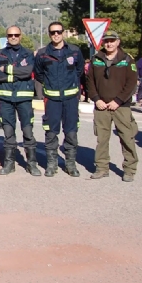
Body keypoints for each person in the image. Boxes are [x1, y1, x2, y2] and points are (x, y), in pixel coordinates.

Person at [86, 31, 139, 181]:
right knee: (102, 139)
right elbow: (89, 81)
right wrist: (96, 99)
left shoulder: (127, 59)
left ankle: (129, 169)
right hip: (101, 105)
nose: (109, 44)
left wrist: (118, 100)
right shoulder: (96, 59)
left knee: (127, 138)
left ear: (118, 42)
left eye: (112, 41)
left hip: (121, 106)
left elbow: (131, 83)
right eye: (106, 41)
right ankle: (102, 168)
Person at [34, 22, 85, 177]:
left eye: (58, 32)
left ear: (63, 33)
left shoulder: (75, 51)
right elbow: (39, 74)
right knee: (51, 132)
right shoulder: (42, 54)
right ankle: (52, 164)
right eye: (52, 32)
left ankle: (71, 164)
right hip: (52, 100)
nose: (55, 34)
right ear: (49, 34)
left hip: (70, 99)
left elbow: (79, 70)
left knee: (71, 132)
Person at [0, 26, 40, 176]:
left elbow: (28, 72)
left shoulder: (28, 54)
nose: (13, 37)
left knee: (27, 131)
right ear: (7, 36)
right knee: (8, 132)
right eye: (10, 35)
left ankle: (32, 164)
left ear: (21, 36)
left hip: (24, 98)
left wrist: (7, 70)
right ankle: (9, 163)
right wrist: (16, 74)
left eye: (16, 34)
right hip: (6, 99)